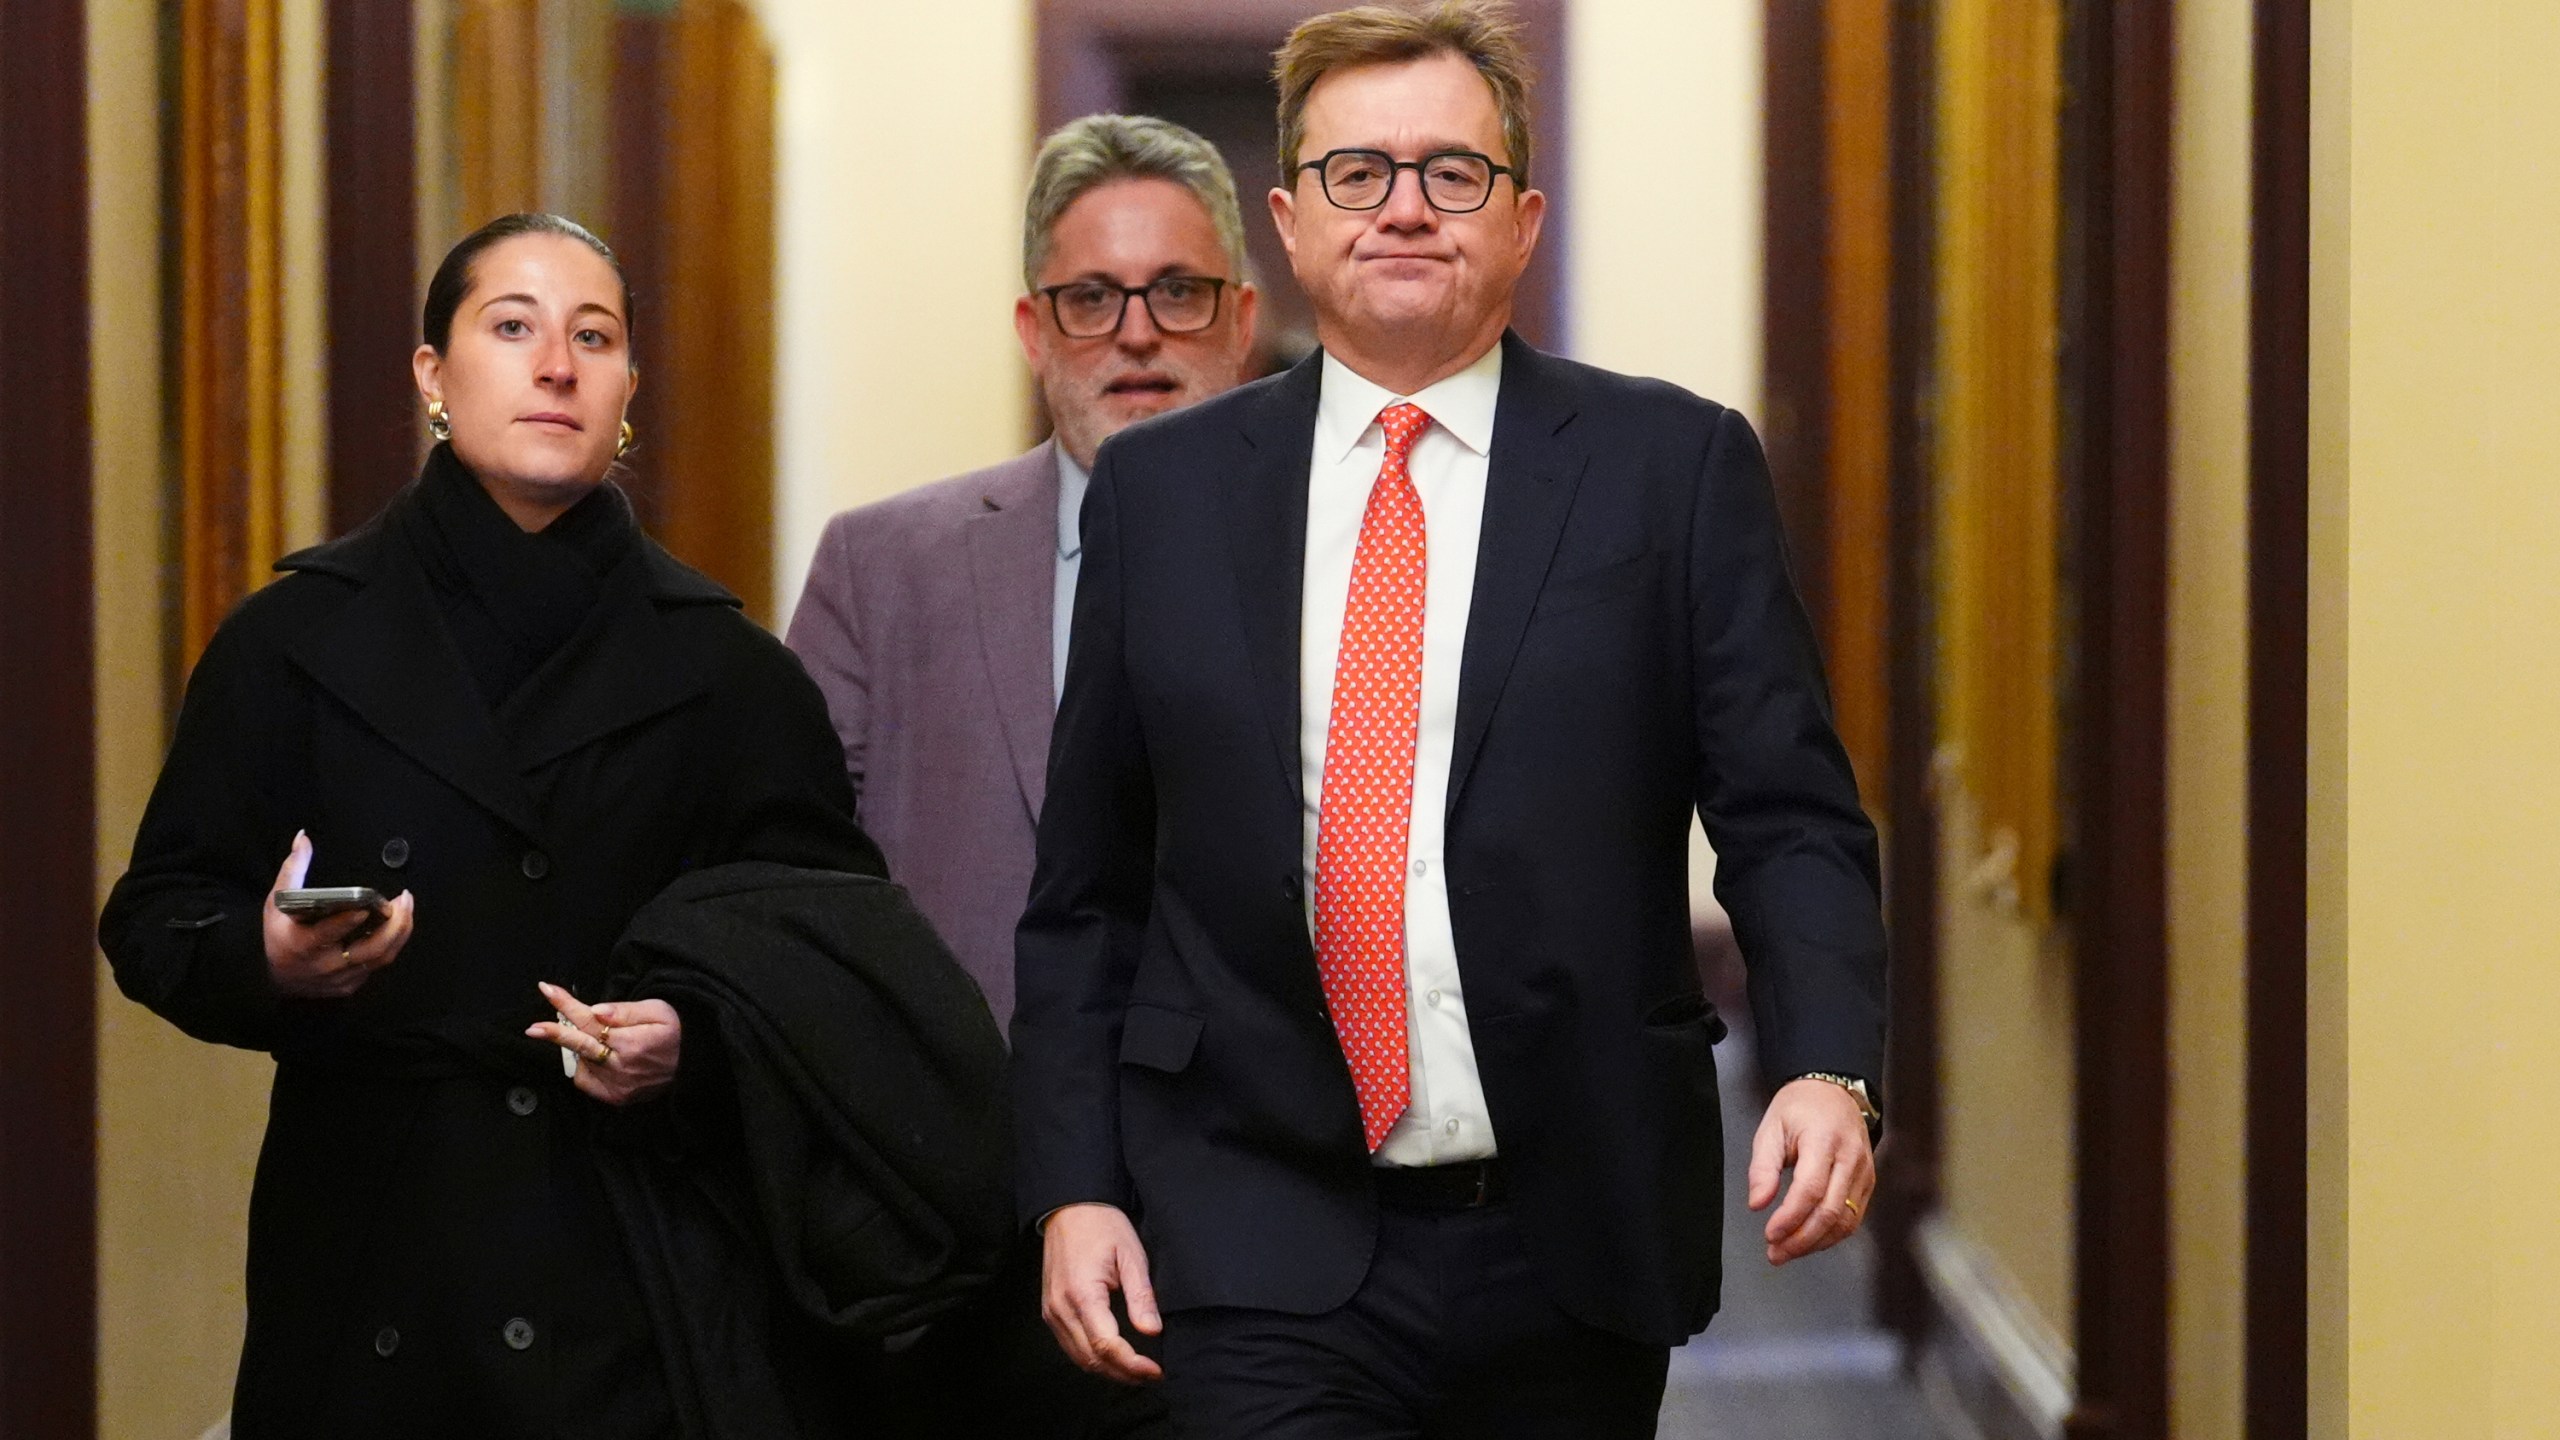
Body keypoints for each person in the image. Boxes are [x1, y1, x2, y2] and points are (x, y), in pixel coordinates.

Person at [1011, 4, 1889, 1437]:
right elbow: (1087, 899)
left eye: (1452, 173)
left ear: (1525, 218)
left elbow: (1789, 818)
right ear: (1290, 225)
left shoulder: (1668, 472)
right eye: (1360, 173)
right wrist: (1074, 1185)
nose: (1405, 207)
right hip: (1251, 1217)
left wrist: (1827, 1067)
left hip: (1570, 1226)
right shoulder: (1162, 497)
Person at [99, 213, 1006, 1439]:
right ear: (435, 373)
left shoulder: (729, 675)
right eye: (512, 326)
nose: (556, 364)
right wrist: (268, 959)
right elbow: (156, 917)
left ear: (630, 385)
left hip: (643, 1259)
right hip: (375, 1245)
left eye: (594, 336)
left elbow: (831, 980)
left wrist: (693, 1037)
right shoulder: (296, 642)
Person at [785, 113, 1259, 1437]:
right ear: (1034, 328)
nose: (1136, 332)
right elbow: (794, 896)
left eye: (1176, 291)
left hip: (1276, 1242)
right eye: (1090, 298)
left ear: (1241, 318)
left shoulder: (1351, 572)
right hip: (962, 1248)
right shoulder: (885, 572)